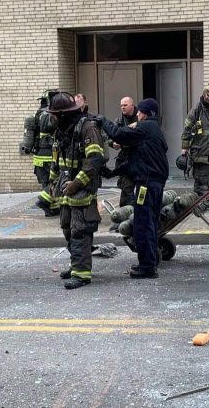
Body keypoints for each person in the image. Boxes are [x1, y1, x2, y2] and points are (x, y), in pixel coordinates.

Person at [100, 98, 168, 279]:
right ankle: (150, 262)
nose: (137, 114)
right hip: (155, 183)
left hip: (146, 185)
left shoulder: (145, 128)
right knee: (151, 223)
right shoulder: (155, 130)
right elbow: (136, 162)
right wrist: (114, 172)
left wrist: (102, 121)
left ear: (144, 113)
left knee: (142, 224)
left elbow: (118, 134)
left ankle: (147, 267)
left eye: (139, 111)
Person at [47, 92, 105, 290]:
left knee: (80, 231)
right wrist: (53, 184)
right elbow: (57, 160)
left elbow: (95, 159)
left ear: (64, 114)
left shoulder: (87, 128)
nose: (52, 118)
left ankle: (82, 274)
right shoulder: (62, 131)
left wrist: (77, 183)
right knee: (67, 228)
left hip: (82, 189)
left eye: (55, 114)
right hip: (65, 189)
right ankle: (75, 267)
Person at [29, 91, 59, 217]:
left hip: (38, 156)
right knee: (55, 180)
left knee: (45, 183)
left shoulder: (38, 114)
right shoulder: (49, 114)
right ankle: (44, 201)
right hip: (50, 154)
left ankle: (52, 209)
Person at [108, 96, 138, 208]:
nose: (122, 107)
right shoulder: (119, 121)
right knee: (126, 187)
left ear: (132, 105)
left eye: (125, 105)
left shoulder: (141, 118)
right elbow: (110, 136)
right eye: (121, 105)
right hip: (125, 158)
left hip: (140, 157)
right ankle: (126, 213)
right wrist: (112, 143)